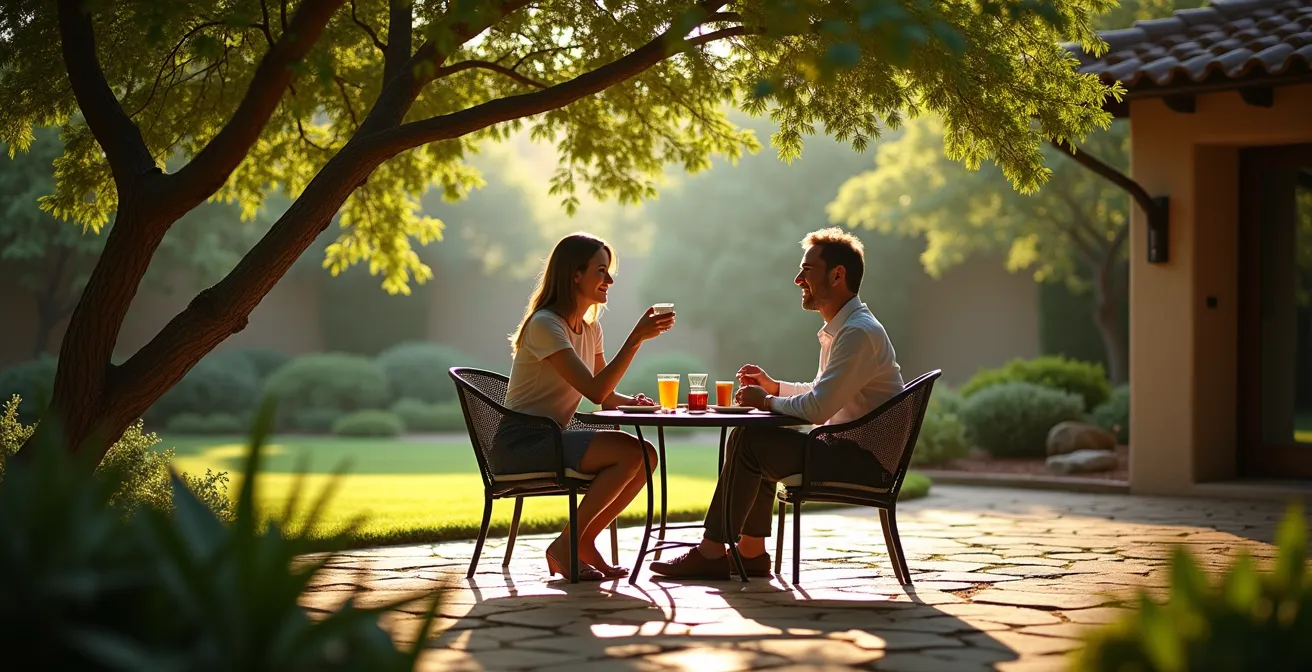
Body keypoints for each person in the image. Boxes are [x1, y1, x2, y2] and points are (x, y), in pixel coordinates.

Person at [650, 227, 905, 580]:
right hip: (848, 452)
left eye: (807, 270)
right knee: (754, 438)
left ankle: (713, 552)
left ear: (837, 274)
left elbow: (817, 408)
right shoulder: (845, 329)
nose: (798, 278)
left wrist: (767, 400)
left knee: (753, 440)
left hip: (860, 462)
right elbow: (820, 391)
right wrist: (775, 387)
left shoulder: (858, 333)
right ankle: (750, 553)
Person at [496, 232, 673, 581]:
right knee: (629, 452)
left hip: (552, 437)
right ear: (575, 274)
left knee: (646, 455)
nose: (609, 280)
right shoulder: (546, 324)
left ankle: (583, 541)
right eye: (601, 270)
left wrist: (637, 405)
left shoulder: (590, 329)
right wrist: (635, 339)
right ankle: (566, 545)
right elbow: (594, 390)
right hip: (522, 444)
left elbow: (606, 396)